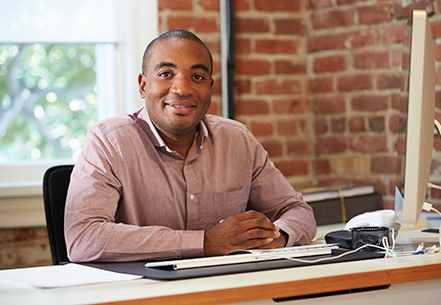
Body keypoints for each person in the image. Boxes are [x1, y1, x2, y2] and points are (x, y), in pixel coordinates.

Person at [64, 30, 316, 262]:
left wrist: (278, 238)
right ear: (143, 85)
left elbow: (297, 211)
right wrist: (205, 242)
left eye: (197, 77)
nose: (182, 88)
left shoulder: (237, 139)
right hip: (145, 292)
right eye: (166, 74)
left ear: (209, 87)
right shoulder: (108, 141)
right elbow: (83, 237)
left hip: (229, 287)